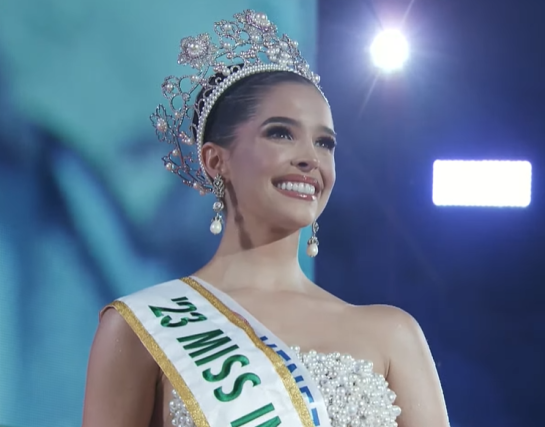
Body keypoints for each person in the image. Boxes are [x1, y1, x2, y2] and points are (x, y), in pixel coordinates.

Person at [82, 9, 449, 427]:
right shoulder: (142, 327)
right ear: (216, 161)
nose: (310, 158)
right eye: (280, 133)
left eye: (325, 143)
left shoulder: (393, 335)